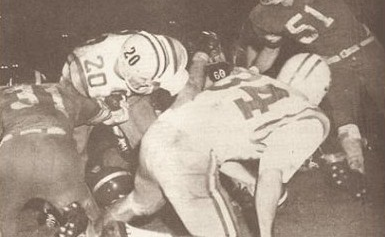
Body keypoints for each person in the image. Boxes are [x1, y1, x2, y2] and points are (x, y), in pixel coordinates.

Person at [98, 53, 331, 237]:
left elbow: (219, 143)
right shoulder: (309, 115)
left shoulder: (247, 76)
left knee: (135, 204)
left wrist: (250, 181)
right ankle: (133, 234)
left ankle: (88, 232)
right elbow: (271, 174)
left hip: (158, 135)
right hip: (189, 155)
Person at [235, 0, 385, 187]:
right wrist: (252, 70)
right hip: (334, 65)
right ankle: (358, 175)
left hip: (366, 50)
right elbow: (270, 51)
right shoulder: (264, 16)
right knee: (345, 123)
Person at [60, 30, 211, 162]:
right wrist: (106, 114)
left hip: (119, 85)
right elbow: (80, 107)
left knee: (154, 150)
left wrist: (201, 56)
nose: (155, 87)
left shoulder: (148, 51)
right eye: (148, 82)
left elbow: (190, 92)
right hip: (81, 92)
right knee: (71, 155)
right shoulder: (85, 78)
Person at [0, 81, 128, 237]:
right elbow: (109, 115)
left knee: (6, 220)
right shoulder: (65, 90)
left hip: (13, 152)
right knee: (93, 219)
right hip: (57, 151)